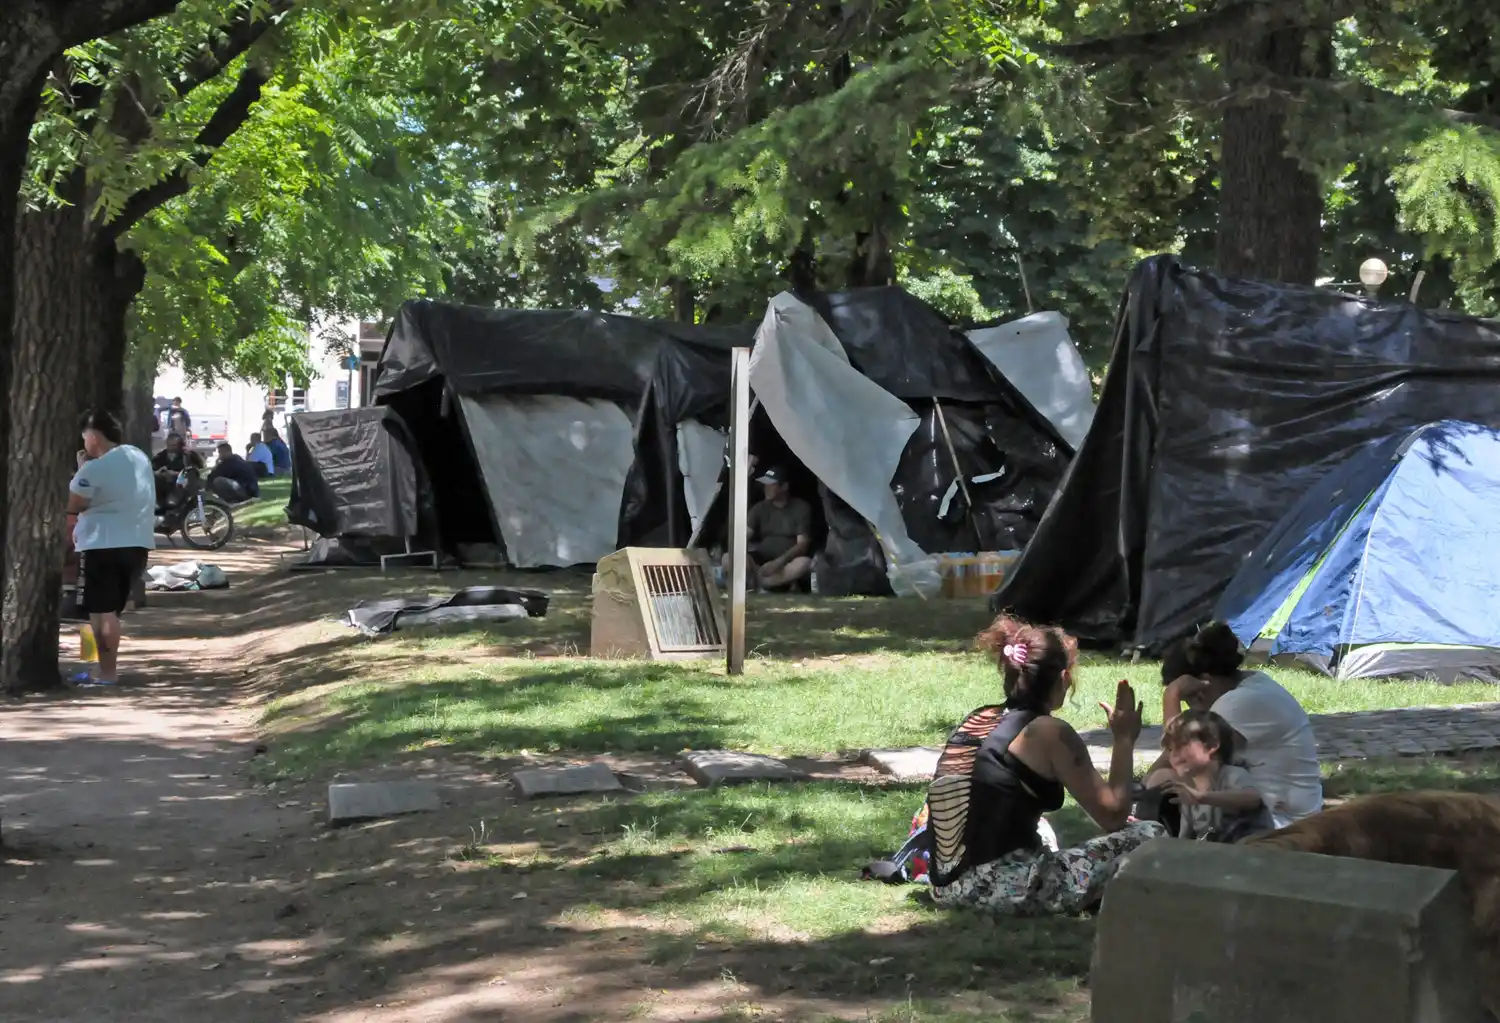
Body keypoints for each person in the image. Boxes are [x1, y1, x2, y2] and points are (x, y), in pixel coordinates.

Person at [929, 616, 1167, 916]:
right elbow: (1113, 816)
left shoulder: (978, 719)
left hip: (945, 885)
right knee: (1150, 834)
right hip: (997, 891)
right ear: (1064, 678)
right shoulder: (1050, 732)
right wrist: (1123, 740)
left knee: (1041, 827)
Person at [1153, 622, 1322, 828]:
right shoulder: (1254, 682)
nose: (1191, 707)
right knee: (1164, 781)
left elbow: (1177, 757)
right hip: (1283, 813)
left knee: (1168, 781)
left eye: (1187, 699)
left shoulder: (1235, 703)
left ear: (1203, 684)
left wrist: (1171, 696)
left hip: (1278, 823)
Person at [67, 411, 155, 687]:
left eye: (84, 436)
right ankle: (94, 667)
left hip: (100, 546)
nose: (84, 442)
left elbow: (74, 504)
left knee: (98, 612)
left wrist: (82, 468)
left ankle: (106, 673)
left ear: (93, 435)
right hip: (137, 544)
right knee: (105, 611)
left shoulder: (94, 469)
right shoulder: (138, 457)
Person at [1145, 710, 1274, 842]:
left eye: (1181, 745)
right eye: (1170, 749)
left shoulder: (1231, 775)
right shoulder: (1188, 791)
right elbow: (1184, 838)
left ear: (1211, 746)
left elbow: (1252, 798)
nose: (1173, 755)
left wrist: (1202, 797)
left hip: (1256, 850)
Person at [723, 466, 813, 591]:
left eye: (771, 485)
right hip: (761, 562)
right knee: (728, 557)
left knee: (804, 563)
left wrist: (779, 562)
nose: (766, 488)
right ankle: (760, 582)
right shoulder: (760, 508)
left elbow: (802, 544)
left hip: (786, 562)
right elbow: (742, 537)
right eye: (765, 484)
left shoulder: (801, 508)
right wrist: (746, 559)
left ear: (784, 487)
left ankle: (763, 584)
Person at [150, 433, 206, 508]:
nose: (170, 448)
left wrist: (175, 474)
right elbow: (153, 467)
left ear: (180, 445)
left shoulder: (188, 455)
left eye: (174, 446)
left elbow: (195, 472)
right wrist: (159, 472)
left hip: (183, 485)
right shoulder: (162, 455)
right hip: (165, 485)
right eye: (169, 445)